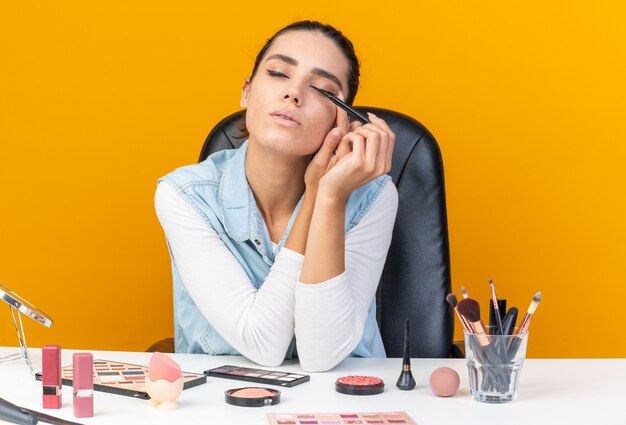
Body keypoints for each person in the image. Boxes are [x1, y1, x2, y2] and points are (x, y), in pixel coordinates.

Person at [155, 20, 398, 372]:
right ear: (246, 91)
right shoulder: (184, 196)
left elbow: (320, 355)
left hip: (346, 403)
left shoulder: (373, 197)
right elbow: (263, 344)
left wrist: (329, 196)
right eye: (278, 73)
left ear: (341, 121)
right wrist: (314, 193)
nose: (294, 93)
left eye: (320, 88)